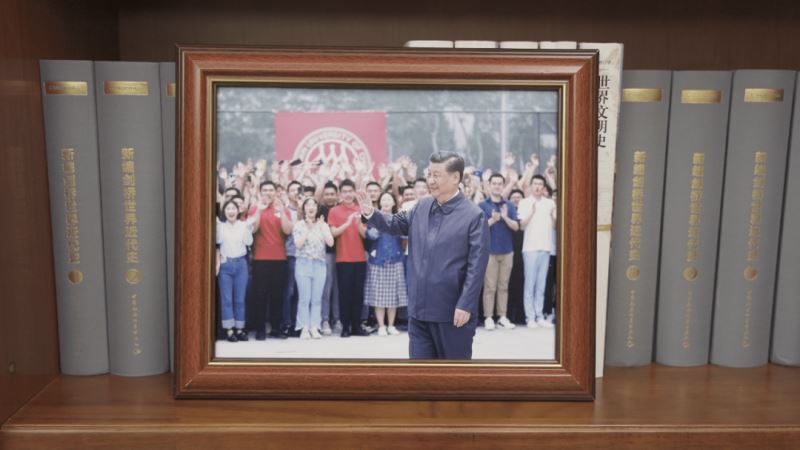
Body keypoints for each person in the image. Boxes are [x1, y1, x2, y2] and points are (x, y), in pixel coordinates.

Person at [360, 151, 489, 359]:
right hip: (419, 311)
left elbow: (477, 267)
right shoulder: (422, 205)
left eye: (436, 175)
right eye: (429, 174)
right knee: (420, 374)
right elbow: (396, 223)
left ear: (455, 177)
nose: (430, 180)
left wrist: (466, 304)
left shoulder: (474, 216)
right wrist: (371, 213)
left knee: (453, 375)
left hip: (453, 313)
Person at [248, 181, 292, 340]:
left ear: (276, 192)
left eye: (271, 190)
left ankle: (276, 328)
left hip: (279, 258)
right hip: (261, 258)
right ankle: (260, 329)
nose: (268, 193)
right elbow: (253, 229)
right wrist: (259, 211)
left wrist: (282, 213)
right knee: (260, 295)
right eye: (265, 190)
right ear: (260, 192)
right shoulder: (254, 208)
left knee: (277, 295)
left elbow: (288, 230)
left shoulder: (283, 209)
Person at [328, 179, 369, 337]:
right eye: (344, 192)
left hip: (360, 258)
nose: (348, 194)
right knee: (345, 294)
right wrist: (347, 223)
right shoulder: (334, 211)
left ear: (354, 192)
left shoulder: (361, 210)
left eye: (350, 191)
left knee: (358, 294)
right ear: (340, 193)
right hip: (343, 258)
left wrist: (358, 223)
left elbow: (365, 235)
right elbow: (333, 233)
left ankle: (356, 326)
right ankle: (345, 327)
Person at [478, 173, 519, 331]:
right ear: (489, 185)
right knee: (489, 286)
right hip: (489, 251)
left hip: (507, 251)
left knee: (503, 286)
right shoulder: (482, 205)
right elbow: (478, 228)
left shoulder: (509, 205)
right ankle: (488, 317)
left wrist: (505, 217)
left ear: (503, 185)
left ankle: (502, 317)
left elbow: (516, 227)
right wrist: (493, 220)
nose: (497, 186)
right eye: (494, 183)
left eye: (500, 183)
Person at [364, 191, 408, 336]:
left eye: (389, 199)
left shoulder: (399, 218)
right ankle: (381, 325)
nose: (387, 202)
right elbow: (371, 235)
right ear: (379, 203)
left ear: (394, 203)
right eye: (384, 199)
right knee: (378, 295)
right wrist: (379, 221)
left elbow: (405, 236)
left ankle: (391, 325)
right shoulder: (373, 218)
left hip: (396, 259)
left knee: (394, 295)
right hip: (377, 260)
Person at [517, 175, 557, 328]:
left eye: (540, 184)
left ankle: (539, 315)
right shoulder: (524, 202)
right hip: (530, 248)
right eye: (535, 184)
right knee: (530, 284)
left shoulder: (550, 203)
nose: (538, 186)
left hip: (546, 247)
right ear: (531, 186)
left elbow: (555, 225)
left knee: (541, 284)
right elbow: (521, 226)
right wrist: (532, 212)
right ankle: (530, 317)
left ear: (544, 187)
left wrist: (553, 215)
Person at [216, 199, 258, 342]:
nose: (231, 211)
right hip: (225, 265)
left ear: (238, 211)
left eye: (233, 208)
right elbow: (218, 240)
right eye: (228, 209)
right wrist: (217, 226)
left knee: (240, 299)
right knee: (227, 300)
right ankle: (229, 330)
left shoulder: (243, 225)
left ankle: (240, 329)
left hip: (241, 265)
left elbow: (248, 242)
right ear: (224, 211)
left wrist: (248, 228)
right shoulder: (221, 226)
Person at [293, 197, 334, 339]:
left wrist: (321, 227)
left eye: (314, 205)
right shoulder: (299, 225)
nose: (311, 207)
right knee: (304, 298)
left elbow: (330, 242)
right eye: (308, 205)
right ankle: (303, 327)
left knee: (317, 298)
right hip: (303, 263)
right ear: (304, 208)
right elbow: (298, 244)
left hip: (320, 264)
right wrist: (309, 228)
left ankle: (315, 326)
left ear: (317, 209)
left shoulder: (323, 225)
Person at [318, 181, 341, 335]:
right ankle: (325, 319)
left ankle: (337, 318)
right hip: (326, 253)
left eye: (332, 194)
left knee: (338, 289)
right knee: (327, 288)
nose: (329, 197)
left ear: (337, 195)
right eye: (326, 194)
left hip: (342, 253)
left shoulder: (340, 209)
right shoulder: (320, 210)